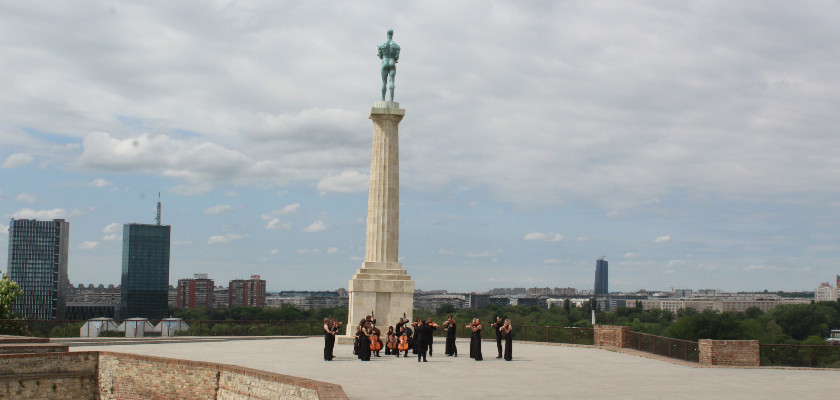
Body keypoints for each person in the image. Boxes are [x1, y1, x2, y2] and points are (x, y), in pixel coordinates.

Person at [377, 29, 400, 101]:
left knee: (384, 82)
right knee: (392, 81)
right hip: (392, 62)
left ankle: (383, 99)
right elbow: (396, 57)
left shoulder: (381, 46)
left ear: (387, 34)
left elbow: (380, 56)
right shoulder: (397, 46)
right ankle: (391, 99)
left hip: (385, 61)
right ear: (392, 34)